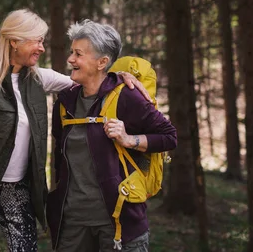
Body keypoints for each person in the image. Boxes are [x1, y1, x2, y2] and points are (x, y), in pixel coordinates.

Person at [0, 9, 148, 252]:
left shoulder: (39, 78)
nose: (42, 48)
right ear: (14, 41)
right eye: (37, 41)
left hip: (17, 186)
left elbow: (91, 79)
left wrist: (119, 76)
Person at [46, 20, 177, 252]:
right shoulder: (65, 103)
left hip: (118, 221)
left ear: (102, 62)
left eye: (78, 54)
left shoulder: (127, 96)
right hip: (73, 222)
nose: (70, 59)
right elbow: (60, 156)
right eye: (71, 52)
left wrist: (129, 140)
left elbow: (168, 137)